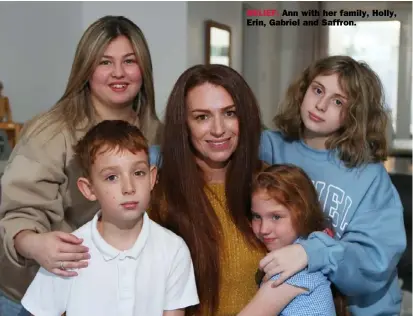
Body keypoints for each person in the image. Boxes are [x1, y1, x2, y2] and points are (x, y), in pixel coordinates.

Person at [0, 15, 162, 315]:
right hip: (35, 294)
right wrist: (35, 244)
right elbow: (18, 211)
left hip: (108, 297)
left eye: (129, 61)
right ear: (86, 68)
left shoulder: (157, 133)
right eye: (104, 62)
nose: (118, 73)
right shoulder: (52, 130)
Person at [259, 55, 406, 315]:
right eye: (317, 90)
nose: (321, 105)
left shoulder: (370, 176)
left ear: (355, 114)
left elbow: (375, 261)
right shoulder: (269, 146)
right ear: (304, 90)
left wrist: (310, 253)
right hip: (287, 299)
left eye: (338, 101)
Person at [20, 120, 199, 316]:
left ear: (152, 177)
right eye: (112, 177)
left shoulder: (173, 250)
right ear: (89, 189)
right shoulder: (68, 253)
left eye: (138, 173)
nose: (128, 188)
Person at [149, 64, 267, 315]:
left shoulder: (268, 184)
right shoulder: (157, 196)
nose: (218, 129)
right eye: (202, 116)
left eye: (229, 113)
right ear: (184, 125)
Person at [238, 164, 350, 316]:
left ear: (302, 214)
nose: (264, 229)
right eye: (257, 216)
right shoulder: (311, 255)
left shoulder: (290, 272)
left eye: (276, 217)